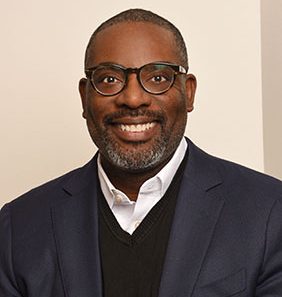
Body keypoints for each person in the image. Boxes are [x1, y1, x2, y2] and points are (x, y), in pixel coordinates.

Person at [0, 8, 281, 297]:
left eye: (158, 78)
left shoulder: (270, 213)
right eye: (109, 79)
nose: (133, 99)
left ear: (189, 92)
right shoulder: (17, 228)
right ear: (85, 98)